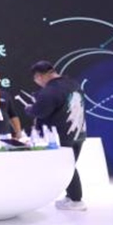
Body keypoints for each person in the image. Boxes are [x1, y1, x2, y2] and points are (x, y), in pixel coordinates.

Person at [21, 61, 89, 211]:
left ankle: (77, 200)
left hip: (62, 135)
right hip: (79, 132)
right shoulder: (73, 84)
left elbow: (40, 111)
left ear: (39, 76)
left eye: (36, 79)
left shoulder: (51, 90)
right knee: (70, 166)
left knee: (67, 167)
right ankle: (71, 197)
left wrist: (30, 109)